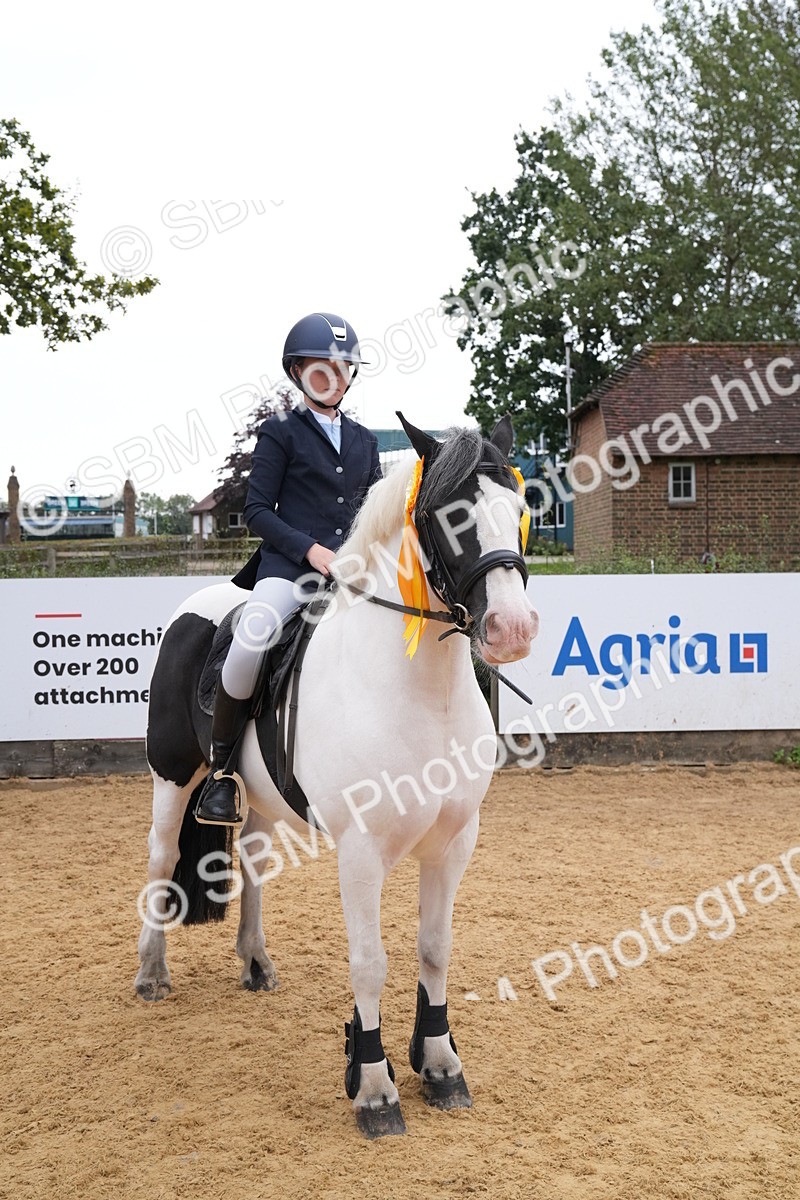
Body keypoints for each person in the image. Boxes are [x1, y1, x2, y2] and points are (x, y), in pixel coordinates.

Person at [194, 312, 381, 825]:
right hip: (289, 571)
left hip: (354, 573)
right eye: (323, 369)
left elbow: (374, 513)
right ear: (298, 372)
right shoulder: (279, 433)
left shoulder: (366, 440)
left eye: (344, 368)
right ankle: (223, 773)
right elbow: (256, 510)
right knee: (248, 643)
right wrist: (312, 552)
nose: (335, 378)